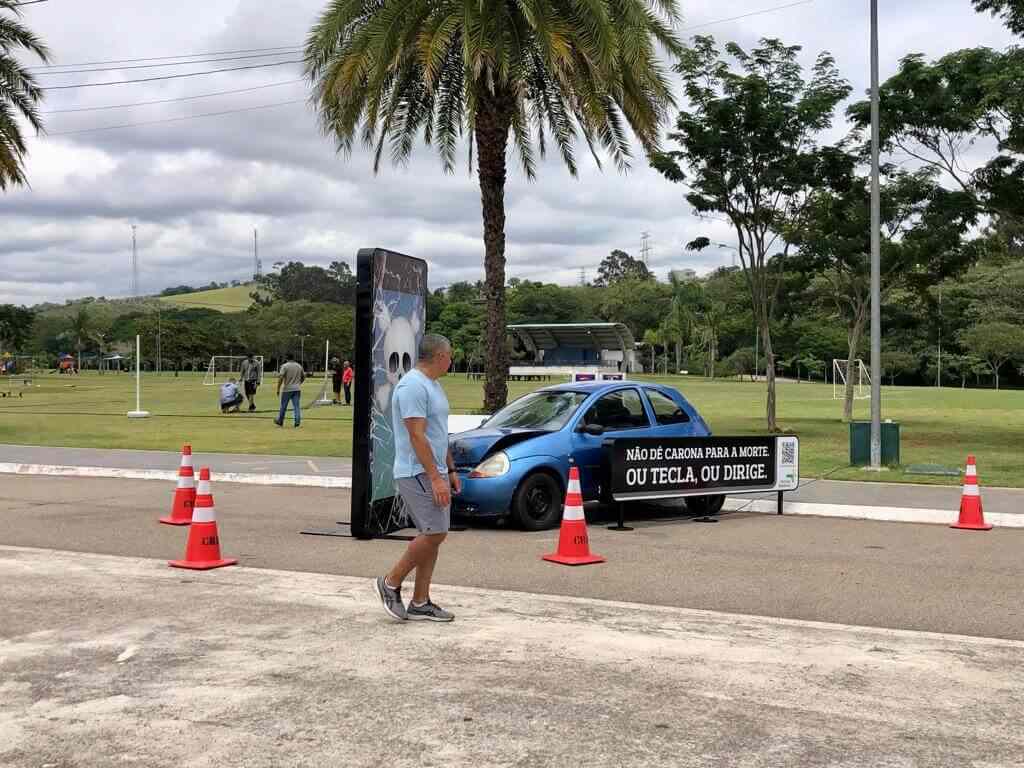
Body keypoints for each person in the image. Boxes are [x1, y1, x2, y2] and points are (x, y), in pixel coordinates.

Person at [375, 334, 459, 622]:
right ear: (439, 356)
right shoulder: (412, 386)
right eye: (450, 355)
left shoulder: (433, 385)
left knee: (433, 536)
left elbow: (438, 433)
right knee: (435, 533)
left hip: (434, 470)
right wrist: (435, 478)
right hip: (417, 471)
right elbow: (416, 435)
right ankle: (390, 582)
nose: (451, 360)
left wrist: (450, 470)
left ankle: (421, 601)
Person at [274, 353, 305, 428]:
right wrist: (298, 383)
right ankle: (297, 422)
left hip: (287, 389)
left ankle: (280, 421)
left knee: (283, 406)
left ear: (287, 358)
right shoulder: (299, 366)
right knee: (296, 406)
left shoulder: (285, 366)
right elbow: (303, 377)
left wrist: (278, 388)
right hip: (297, 389)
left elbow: (281, 378)